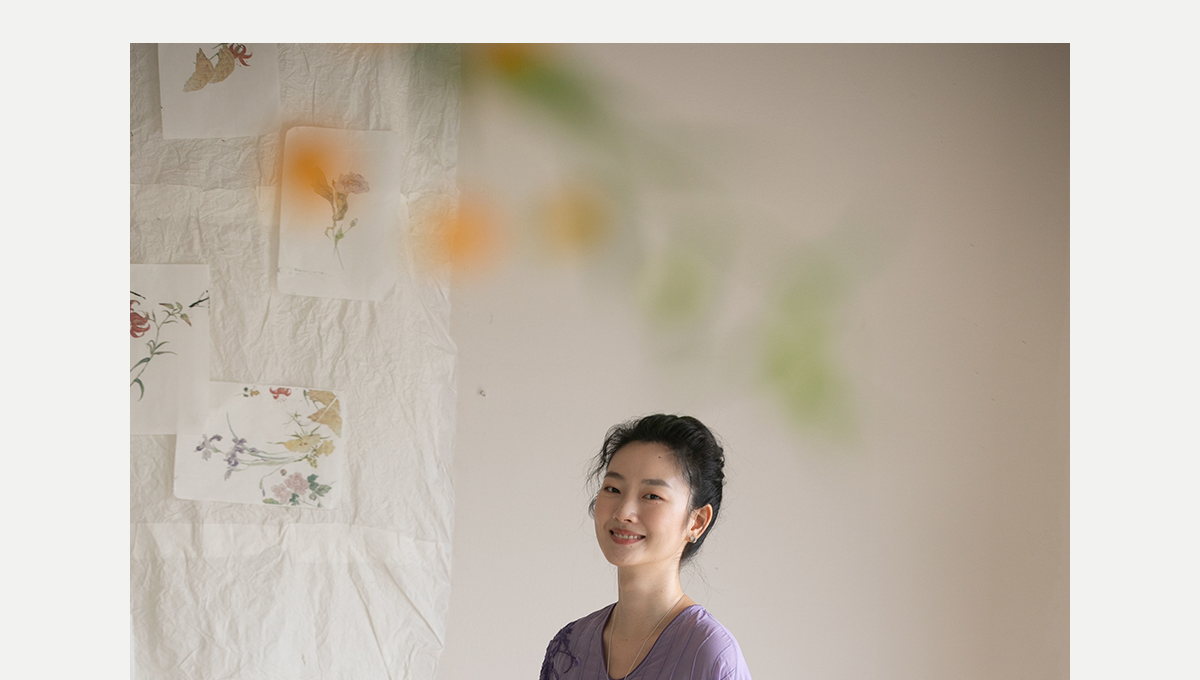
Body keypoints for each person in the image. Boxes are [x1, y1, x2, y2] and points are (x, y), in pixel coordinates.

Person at [540, 414, 753, 680]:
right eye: (613, 489)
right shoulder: (570, 647)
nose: (623, 512)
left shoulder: (710, 655)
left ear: (697, 521)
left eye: (652, 496)